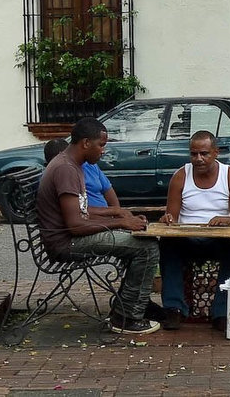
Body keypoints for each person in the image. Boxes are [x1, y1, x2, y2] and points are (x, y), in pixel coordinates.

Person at [37, 118, 160, 334]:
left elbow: (81, 211)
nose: (103, 151)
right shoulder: (66, 169)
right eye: (101, 145)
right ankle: (127, 317)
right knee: (147, 248)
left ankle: (128, 306)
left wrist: (117, 215)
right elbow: (75, 225)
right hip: (67, 244)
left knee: (142, 240)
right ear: (85, 143)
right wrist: (120, 222)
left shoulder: (71, 164)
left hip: (69, 238)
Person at [157, 130, 230, 331]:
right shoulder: (181, 176)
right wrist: (168, 219)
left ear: (216, 152)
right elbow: (172, 218)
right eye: (194, 154)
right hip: (187, 239)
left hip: (219, 240)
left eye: (204, 153)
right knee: (168, 244)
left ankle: (222, 313)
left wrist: (226, 220)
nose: (199, 159)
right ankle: (174, 309)